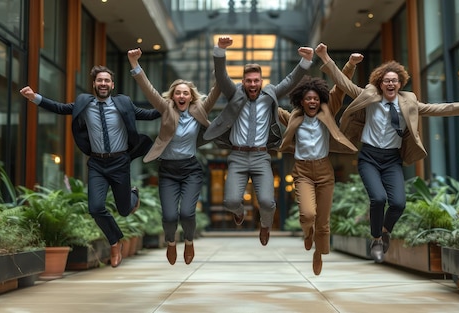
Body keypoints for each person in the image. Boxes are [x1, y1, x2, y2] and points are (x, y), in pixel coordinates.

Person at [318, 46, 459, 263]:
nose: (391, 84)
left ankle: (385, 231)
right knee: (378, 198)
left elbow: (435, 109)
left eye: (394, 80)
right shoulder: (369, 95)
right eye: (386, 80)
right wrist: (325, 57)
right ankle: (376, 239)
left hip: (392, 158)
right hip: (369, 157)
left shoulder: (409, 101)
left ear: (400, 83)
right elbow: (343, 82)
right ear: (380, 83)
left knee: (398, 204)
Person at [19, 65, 161, 268]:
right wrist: (35, 97)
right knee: (95, 208)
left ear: (112, 84)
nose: (103, 84)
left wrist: (170, 106)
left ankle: (133, 196)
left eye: (106, 81)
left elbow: (149, 114)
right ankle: (114, 242)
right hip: (97, 163)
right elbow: (60, 108)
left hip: (120, 162)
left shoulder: (124, 103)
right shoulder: (83, 103)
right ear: (94, 84)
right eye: (99, 80)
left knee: (123, 210)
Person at [203, 35, 314, 246]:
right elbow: (221, 75)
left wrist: (306, 61)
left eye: (256, 80)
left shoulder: (270, 93)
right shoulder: (234, 92)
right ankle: (239, 213)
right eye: (248, 81)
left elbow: (290, 81)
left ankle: (265, 225)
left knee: (267, 202)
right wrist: (220, 50)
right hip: (237, 156)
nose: (252, 84)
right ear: (243, 81)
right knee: (231, 201)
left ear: (261, 81)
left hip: (261, 156)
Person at [127, 48, 220, 265]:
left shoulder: (200, 109)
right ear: (173, 96)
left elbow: (216, 90)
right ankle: (171, 242)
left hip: (191, 170)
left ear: (191, 96)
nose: (181, 96)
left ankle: (188, 241)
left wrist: (219, 61)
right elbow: (148, 89)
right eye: (177, 93)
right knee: (169, 216)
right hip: (168, 170)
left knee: (187, 213)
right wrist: (134, 63)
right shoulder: (165, 108)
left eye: (185, 93)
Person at [277, 45, 363, 275]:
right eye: (308, 99)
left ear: (320, 99)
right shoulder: (293, 116)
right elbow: (272, 109)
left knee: (323, 221)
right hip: (302, 170)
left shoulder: (328, 109)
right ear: (301, 101)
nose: (313, 102)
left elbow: (340, 87)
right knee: (308, 215)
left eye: (316, 98)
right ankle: (307, 233)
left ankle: (318, 253)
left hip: (325, 171)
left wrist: (351, 64)